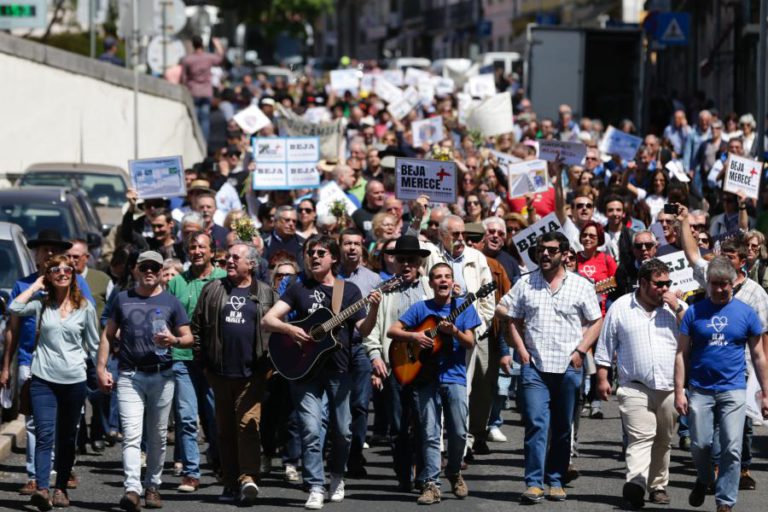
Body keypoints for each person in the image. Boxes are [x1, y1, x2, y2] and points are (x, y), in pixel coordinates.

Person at [261, 235, 381, 510]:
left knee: (343, 431)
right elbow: (269, 319)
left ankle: (337, 476)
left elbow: (363, 331)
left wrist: (373, 308)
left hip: (339, 369)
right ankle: (315, 485)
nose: (314, 256)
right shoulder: (297, 286)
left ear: (334, 258)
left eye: (321, 252)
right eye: (310, 252)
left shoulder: (348, 290)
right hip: (302, 369)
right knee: (311, 429)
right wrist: (291, 329)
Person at [500, 231, 602, 503]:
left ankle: (555, 479)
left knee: (562, 427)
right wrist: (521, 350)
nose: (544, 254)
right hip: (535, 366)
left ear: (564, 254)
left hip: (569, 366)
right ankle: (534, 482)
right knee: (535, 423)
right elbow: (510, 317)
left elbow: (596, 321)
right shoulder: (524, 284)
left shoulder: (581, 285)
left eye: (551, 250)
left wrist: (581, 350)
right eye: (541, 249)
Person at [96, 251, 193, 512]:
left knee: (158, 436)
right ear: (137, 270)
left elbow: (188, 338)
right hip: (130, 375)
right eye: (144, 267)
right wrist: (101, 367)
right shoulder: (122, 298)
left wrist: (173, 340)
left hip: (162, 375)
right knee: (132, 435)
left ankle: (153, 486)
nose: (149, 271)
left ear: (162, 271)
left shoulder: (172, 302)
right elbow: (108, 335)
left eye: (154, 267)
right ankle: (132, 489)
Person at [0, 230, 94, 495]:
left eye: (55, 250)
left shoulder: (75, 283)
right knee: (36, 424)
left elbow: (88, 326)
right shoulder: (25, 286)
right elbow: (13, 326)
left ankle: (63, 470)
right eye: (44, 250)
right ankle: (35, 477)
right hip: (33, 361)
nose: (49, 254)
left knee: (67, 426)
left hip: (69, 367)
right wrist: (6, 364)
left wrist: (92, 367)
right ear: (36, 255)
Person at [674, 256, 768, 512]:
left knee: (732, 447)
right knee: (700, 444)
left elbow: (759, 355)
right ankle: (705, 479)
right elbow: (682, 353)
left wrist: (766, 393)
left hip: (733, 388)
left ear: (732, 284)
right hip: (700, 389)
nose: (719, 289)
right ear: (707, 283)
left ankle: (725, 502)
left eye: (724, 284)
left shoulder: (746, 313)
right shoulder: (694, 312)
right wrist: (679, 392)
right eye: (714, 284)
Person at [387, 263, 481, 504]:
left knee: (459, 431)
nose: (443, 281)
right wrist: (415, 336)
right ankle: (431, 484)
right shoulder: (421, 308)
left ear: (452, 282)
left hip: (454, 376)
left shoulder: (463, 307)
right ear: (430, 283)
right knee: (429, 432)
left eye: (447, 277)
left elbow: (470, 342)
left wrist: (454, 332)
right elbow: (393, 331)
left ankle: (453, 470)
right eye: (438, 277)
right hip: (424, 379)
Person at [192, 242, 278, 503]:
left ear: (251, 264)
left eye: (235, 257)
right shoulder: (213, 289)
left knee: (247, 426)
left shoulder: (266, 293)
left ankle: (248, 479)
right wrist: (204, 364)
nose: (229, 261)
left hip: (252, 375)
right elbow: (197, 329)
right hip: (219, 374)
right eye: (227, 257)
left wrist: (269, 368)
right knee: (225, 431)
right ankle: (230, 482)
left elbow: (277, 333)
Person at [595, 258, 685, 509]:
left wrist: (678, 308)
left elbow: (697, 334)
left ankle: (657, 485)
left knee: (663, 439)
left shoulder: (676, 307)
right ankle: (636, 483)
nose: (664, 288)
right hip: (634, 385)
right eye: (659, 284)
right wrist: (602, 377)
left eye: (668, 283)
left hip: (670, 386)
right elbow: (605, 344)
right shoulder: (622, 307)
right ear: (643, 282)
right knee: (641, 436)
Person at [363, 235, 432, 491]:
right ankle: (404, 474)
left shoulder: (430, 288)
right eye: (401, 260)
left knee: (425, 423)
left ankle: (425, 475)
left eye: (411, 260)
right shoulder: (383, 291)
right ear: (393, 262)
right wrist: (375, 356)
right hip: (395, 367)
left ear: (419, 263)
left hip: (425, 368)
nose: (406, 265)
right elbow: (372, 329)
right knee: (399, 425)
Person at [166, 232, 226, 492]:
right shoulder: (177, 282)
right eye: (193, 247)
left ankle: (220, 461)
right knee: (187, 417)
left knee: (215, 416)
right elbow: (166, 316)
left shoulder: (223, 279)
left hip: (213, 359)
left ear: (212, 251)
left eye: (202, 247)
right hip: (182, 358)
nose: (197, 251)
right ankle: (191, 472)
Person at [337, 229, 381, 477]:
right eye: (347, 243)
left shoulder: (373, 279)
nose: (352, 248)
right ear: (340, 247)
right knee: (337, 403)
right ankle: (336, 453)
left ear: (362, 247)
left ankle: (355, 455)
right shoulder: (330, 277)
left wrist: (377, 355)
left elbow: (379, 319)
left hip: (362, 347)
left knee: (361, 405)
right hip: (336, 348)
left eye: (356, 243)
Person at [181, 35, 224, 141]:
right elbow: (220, 58)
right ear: (202, 44)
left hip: (193, 91)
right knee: (205, 119)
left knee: (194, 119)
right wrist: (218, 45)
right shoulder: (208, 57)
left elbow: (184, 78)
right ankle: (204, 143)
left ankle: (194, 141)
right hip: (206, 92)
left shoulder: (187, 59)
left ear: (193, 45)